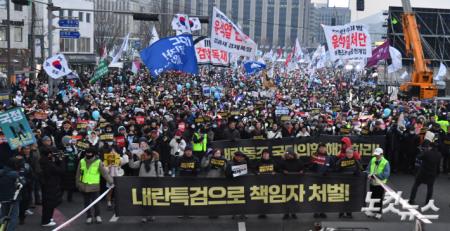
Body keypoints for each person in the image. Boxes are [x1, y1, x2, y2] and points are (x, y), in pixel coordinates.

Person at [75, 147, 113, 224]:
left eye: (90, 153)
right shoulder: (82, 161)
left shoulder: (98, 162)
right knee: (86, 203)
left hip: (94, 187)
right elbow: (78, 173)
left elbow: (104, 173)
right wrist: (78, 184)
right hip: (84, 186)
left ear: (94, 154)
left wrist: (111, 182)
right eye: (87, 153)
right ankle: (88, 216)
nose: (88, 154)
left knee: (96, 203)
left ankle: (97, 216)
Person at [128, 149, 164, 222]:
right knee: (144, 201)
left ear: (149, 156)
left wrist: (160, 183)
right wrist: (130, 158)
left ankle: (151, 214)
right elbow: (132, 166)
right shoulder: (141, 162)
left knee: (152, 201)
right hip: (143, 184)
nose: (143, 156)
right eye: (143, 155)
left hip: (153, 185)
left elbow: (161, 174)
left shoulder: (157, 163)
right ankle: (144, 216)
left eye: (145, 155)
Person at [408, 133, 441, 205]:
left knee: (416, 185)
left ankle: (411, 199)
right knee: (430, 187)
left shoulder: (426, 152)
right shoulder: (439, 154)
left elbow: (418, 157)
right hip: (432, 173)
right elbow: (438, 164)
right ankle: (427, 202)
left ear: (430, 147)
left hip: (423, 172)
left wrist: (422, 151)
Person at [39, 148, 65, 227]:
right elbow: (61, 170)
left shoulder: (42, 161)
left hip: (46, 185)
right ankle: (46, 221)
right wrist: (61, 161)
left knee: (47, 203)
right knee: (49, 203)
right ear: (49, 154)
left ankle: (48, 218)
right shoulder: (48, 163)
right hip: (50, 185)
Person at [335, 147, 362, 218]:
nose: (349, 154)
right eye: (348, 153)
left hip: (352, 184)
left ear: (353, 153)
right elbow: (336, 169)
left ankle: (349, 213)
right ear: (346, 153)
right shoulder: (341, 161)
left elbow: (360, 171)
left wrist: (356, 172)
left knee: (350, 199)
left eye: (351, 153)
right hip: (343, 183)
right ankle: (341, 212)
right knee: (342, 198)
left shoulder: (356, 161)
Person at [365, 147, 390, 220]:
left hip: (380, 184)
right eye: (375, 154)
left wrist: (375, 176)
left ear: (381, 154)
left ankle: (378, 213)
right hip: (372, 182)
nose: (376, 156)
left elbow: (386, 174)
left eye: (377, 155)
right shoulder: (373, 160)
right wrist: (368, 174)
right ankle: (372, 211)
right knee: (372, 197)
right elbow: (368, 169)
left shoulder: (385, 162)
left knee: (379, 198)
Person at [310, 143, 333, 219]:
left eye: (324, 148)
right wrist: (313, 167)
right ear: (318, 148)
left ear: (326, 149)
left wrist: (328, 171)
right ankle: (316, 212)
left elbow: (333, 167)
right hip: (315, 180)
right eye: (321, 148)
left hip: (325, 180)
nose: (322, 149)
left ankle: (323, 212)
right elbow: (309, 166)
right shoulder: (314, 156)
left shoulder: (329, 157)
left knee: (324, 197)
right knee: (316, 196)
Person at [280, 150, 304, 220]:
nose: (289, 156)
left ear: (293, 154)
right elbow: (278, 168)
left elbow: (304, 168)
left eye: (290, 154)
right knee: (285, 199)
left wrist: (302, 171)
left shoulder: (298, 161)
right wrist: (283, 171)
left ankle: (294, 213)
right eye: (288, 154)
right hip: (285, 183)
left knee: (294, 199)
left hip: (295, 183)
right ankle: (286, 213)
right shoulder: (283, 161)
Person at [0, 159, 20, 231]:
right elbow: (21, 183)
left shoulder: (1, 172)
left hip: (2, 198)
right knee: (13, 217)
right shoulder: (14, 174)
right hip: (13, 198)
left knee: (3, 214)